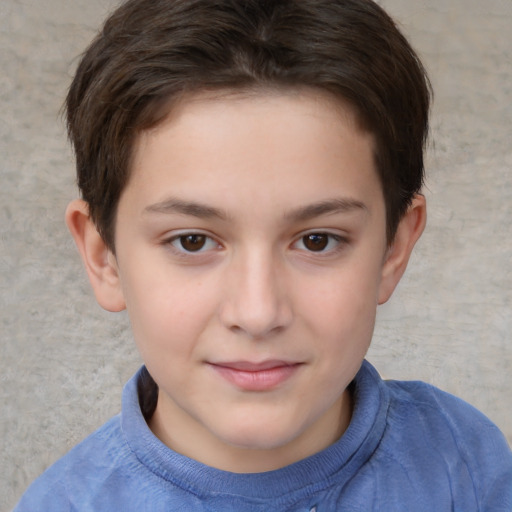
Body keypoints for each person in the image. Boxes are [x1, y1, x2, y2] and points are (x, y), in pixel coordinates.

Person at [14, 0, 512, 509]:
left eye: (317, 240)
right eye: (192, 241)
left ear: (394, 249)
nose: (258, 313)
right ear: (104, 258)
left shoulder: (464, 461)